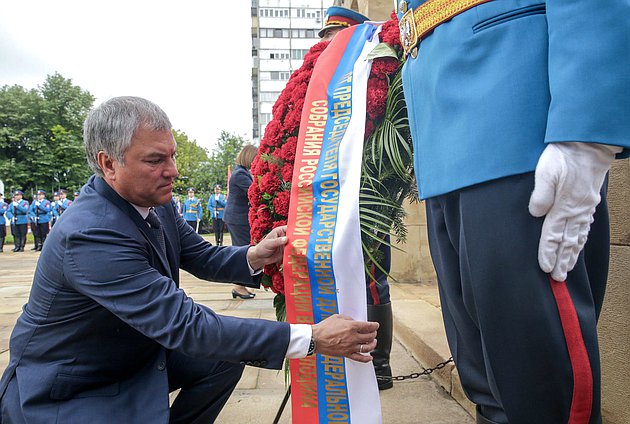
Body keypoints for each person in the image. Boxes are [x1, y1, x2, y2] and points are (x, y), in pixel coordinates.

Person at [0, 96, 379, 424]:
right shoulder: (91, 233)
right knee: (215, 342)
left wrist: (255, 254)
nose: (173, 171)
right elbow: (185, 325)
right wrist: (312, 338)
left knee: (225, 357)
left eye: (172, 155)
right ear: (109, 164)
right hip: (76, 382)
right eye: (155, 160)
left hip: (130, 351)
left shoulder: (152, 203)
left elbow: (200, 254)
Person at [397, 0, 630, 422]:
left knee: (542, 395)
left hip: (516, 112)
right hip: (442, 130)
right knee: (490, 390)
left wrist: (586, 126)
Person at [316, 5, 395, 391]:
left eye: (336, 39)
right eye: (327, 39)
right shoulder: (318, 82)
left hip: (367, 196)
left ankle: (380, 363)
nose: (329, 45)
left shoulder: (372, 70)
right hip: (326, 198)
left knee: (373, 279)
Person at [224, 144, 258, 300]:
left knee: (242, 249)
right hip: (238, 219)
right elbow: (255, 192)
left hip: (238, 218)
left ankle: (240, 285)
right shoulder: (240, 175)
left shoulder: (241, 173)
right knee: (241, 251)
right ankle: (238, 286)